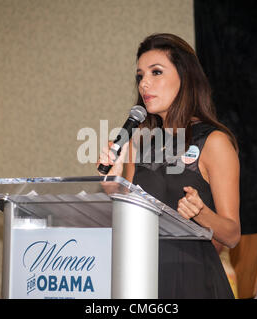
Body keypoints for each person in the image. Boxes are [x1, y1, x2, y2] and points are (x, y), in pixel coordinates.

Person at [97, 33, 240, 299]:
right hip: (140, 277)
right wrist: (113, 185)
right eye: (140, 76)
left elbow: (232, 234)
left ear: (184, 78)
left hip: (193, 279)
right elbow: (131, 218)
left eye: (156, 72)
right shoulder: (138, 143)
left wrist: (201, 214)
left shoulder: (214, 142)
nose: (144, 84)